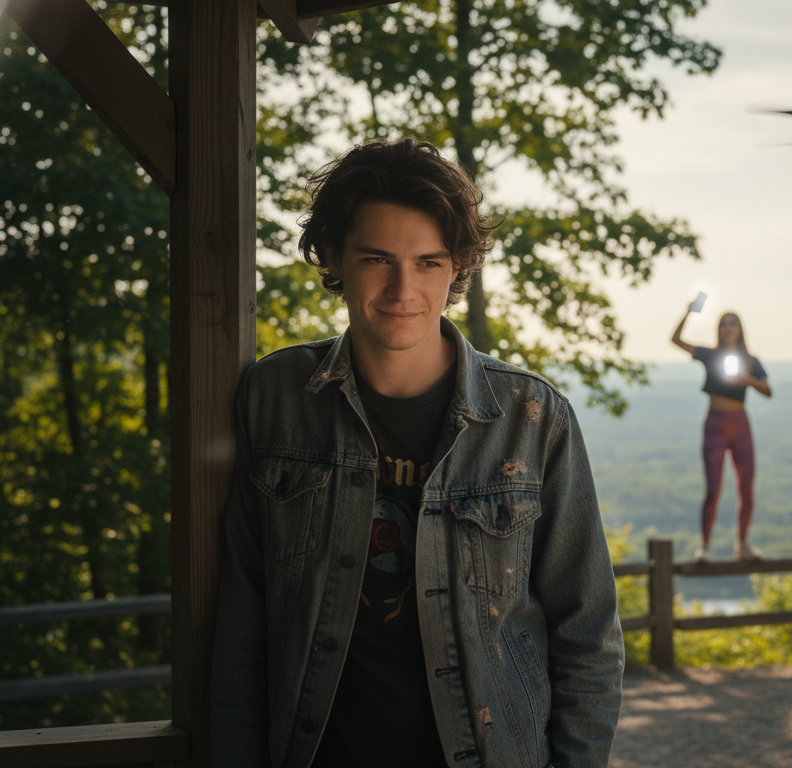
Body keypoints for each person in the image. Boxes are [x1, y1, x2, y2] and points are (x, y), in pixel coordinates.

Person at [210, 139, 623, 768]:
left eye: (428, 261)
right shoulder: (277, 398)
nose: (404, 288)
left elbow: (587, 635)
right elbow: (242, 622)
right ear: (333, 257)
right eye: (378, 258)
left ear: (456, 268)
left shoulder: (531, 419)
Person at [671, 307, 772, 562]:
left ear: (740, 330)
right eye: (724, 324)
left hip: (740, 424)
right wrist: (688, 312)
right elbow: (676, 340)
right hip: (715, 424)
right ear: (719, 330)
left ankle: (743, 543)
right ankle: (704, 545)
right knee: (713, 488)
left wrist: (746, 378)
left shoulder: (750, 360)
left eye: (733, 324)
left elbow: (768, 390)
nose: (728, 328)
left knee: (746, 486)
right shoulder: (710, 355)